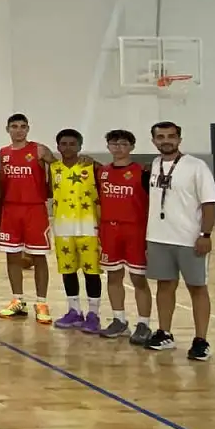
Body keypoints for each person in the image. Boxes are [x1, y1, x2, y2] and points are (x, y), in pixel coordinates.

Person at [142, 122, 215, 361]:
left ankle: (201, 340)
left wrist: (205, 234)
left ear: (179, 139)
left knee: (197, 287)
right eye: (160, 137)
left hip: (189, 239)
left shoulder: (197, 166)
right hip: (158, 237)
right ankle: (164, 333)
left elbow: (209, 203)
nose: (166, 140)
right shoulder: (154, 165)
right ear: (154, 141)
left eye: (171, 136)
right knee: (164, 286)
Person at [95, 129, 153, 343]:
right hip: (110, 230)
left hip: (135, 230)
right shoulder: (102, 172)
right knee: (113, 276)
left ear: (132, 147)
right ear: (108, 146)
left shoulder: (143, 172)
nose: (118, 148)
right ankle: (119, 320)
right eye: (114, 144)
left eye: (123, 144)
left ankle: (144, 324)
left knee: (138, 278)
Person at [0, 113, 53, 324]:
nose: (18, 130)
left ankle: (42, 302)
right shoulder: (3, 152)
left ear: (28, 129)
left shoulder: (39, 150)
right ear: (8, 129)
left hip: (34, 209)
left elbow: (59, 169)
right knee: (12, 256)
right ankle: (18, 300)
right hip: (10, 209)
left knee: (39, 257)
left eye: (22, 126)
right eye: (14, 126)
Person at [48, 129, 103, 333]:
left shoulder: (92, 166)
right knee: (68, 271)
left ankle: (94, 314)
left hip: (89, 228)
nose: (68, 147)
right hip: (63, 229)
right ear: (58, 147)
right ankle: (74, 310)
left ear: (80, 146)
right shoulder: (53, 168)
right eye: (64, 144)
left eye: (72, 144)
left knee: (92, 272)